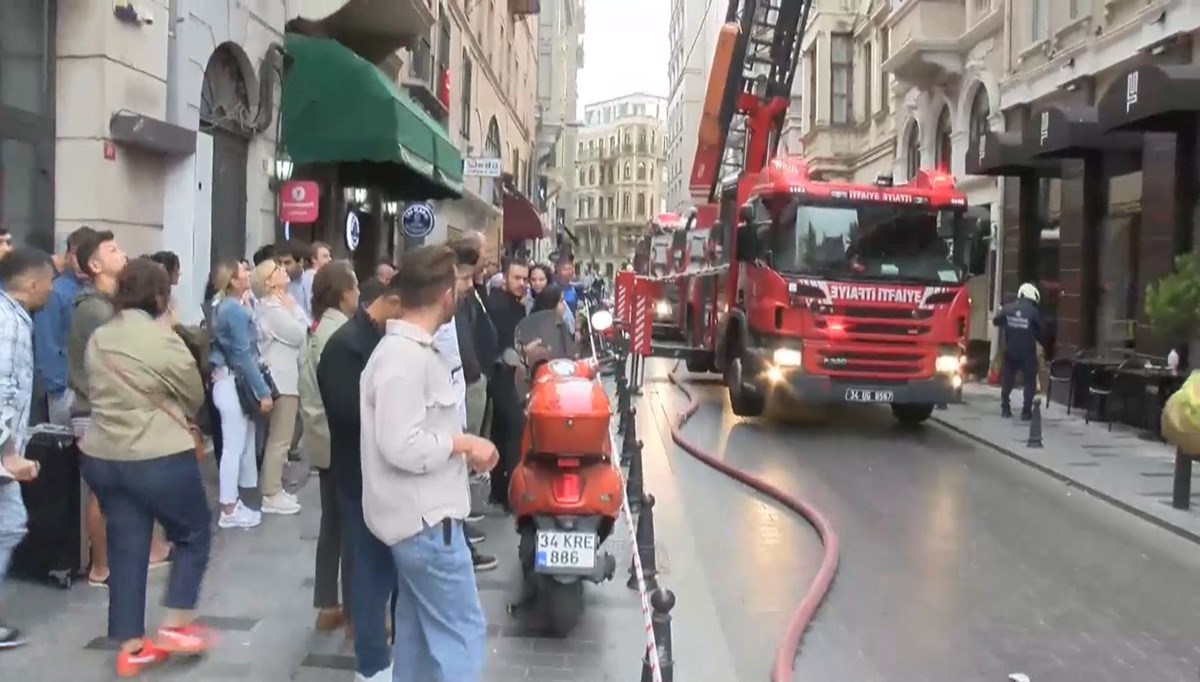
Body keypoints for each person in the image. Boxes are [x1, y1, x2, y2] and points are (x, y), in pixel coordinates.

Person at [359, 244, 497, 682]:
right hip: (426, 526)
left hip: (419, 523)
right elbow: (401, 445)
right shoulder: (402, 359)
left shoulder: (407, 351)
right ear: (444, 295)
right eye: (457, 285)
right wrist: (463, 444)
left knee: (418, 639)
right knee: (461, 635)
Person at [79, 258, 212, 676]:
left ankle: (131, 646)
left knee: (127, 547)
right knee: (192, 533)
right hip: (157, 455)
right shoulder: (164, 339)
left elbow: (90, 385)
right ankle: (176, 623)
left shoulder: (100, 337)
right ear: (160, 296)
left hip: (103, 455)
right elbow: (193, 395)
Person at [317, 275, 405, 682]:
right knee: (369, 569)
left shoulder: (381, 340)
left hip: (388, 477)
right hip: (359, 476)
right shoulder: (345, 347)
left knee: (390, 570)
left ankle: (391, 651)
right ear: (392, 301)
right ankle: (371, 666)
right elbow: (349, 413)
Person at [299, 260, 358, 633]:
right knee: (351, 526)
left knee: (332, 525)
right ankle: (355, 611)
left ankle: (327, 603)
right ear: (342, 293)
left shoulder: (317, 329)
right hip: (340, 441)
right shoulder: (340, 335)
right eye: (354, 287)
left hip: (322, 439)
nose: (359, 294)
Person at [0, 248, 55, 649]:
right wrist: (7, 453)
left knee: (11, 523)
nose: (52, 290)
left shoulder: (13, 318)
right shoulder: (9, 324)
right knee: (9, 524)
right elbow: (3, 389)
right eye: (49, 282)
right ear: (33, 284)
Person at [440, 241, 498, 572]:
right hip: (451, 402)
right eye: (462, 278)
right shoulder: (448, 311)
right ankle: (458, 542)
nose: (467, 283)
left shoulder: (462, 302)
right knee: (454, 470)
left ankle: (459, 531)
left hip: (459, 392)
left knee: (458, 470)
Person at [209, 260, 273, 529]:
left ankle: (237, 502)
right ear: (233, 281)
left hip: (230, 382)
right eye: (244, 272)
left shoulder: (232, 306)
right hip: (233, 383)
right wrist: (263, 391)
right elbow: (243, 355)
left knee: (240, 445)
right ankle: (228, 507)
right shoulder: (233, 310)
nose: (249, 274)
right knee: (234, 448)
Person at [250, 259, 306, 515]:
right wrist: (294, 309)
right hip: (281, 380)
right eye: (277, 270)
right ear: (269, 282)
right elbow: (301, 333)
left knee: (280, 438)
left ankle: (274, 487)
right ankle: (271, 492)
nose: (284, 271)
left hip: (286, 377)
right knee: (280, 440)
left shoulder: (275, 306)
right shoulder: (271, 310)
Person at [34, 225, 96, 426]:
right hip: (65, 389)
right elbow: (47, 343)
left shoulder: (96, 291)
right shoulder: (56, 290)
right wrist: (59, 388)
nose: (80, 262)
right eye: (76, 254)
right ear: (68, 255)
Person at [485, 258, 529, 509]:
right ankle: (511, 493)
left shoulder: (514, 305)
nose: (522, 283)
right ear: (505, 278)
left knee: (502, 433)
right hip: (503, 374)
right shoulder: (501, 306)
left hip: (508, 374)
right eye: (517, 278)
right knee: (512, 433)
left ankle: (499, 490)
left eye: (525, 279)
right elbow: (505, 344)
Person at [994, 282, 1042, 420]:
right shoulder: (1034, 312)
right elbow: (1041, 331)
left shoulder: (1008, 309)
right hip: (1027, 353)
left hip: (1011, 351)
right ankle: (1026, 411)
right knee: (1029, 382)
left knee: (1007, 379)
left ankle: (1005, 408)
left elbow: (996, 321)